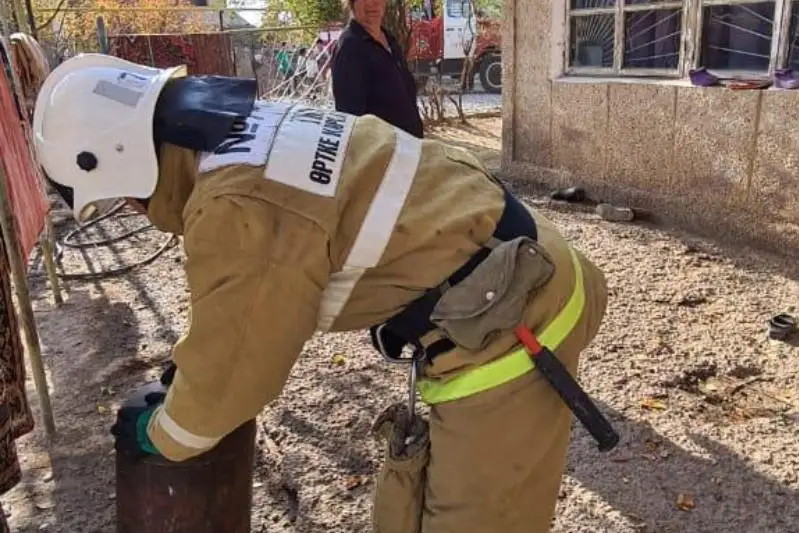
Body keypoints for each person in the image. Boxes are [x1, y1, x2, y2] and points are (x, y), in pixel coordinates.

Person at [32, 53, 611, 533]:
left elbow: (232, 373)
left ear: (122, 161)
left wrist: (160, 432)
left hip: (514, 323)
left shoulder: (234, 206)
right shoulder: (252, 130)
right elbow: (238, 306)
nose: (133, 209)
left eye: (119, 197)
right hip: (521, 266)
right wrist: (188, 370)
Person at [331, 0, 424, 138]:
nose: (373, 3)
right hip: (383, 155)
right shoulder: (350, 47)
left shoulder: (390, 40)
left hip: (409, 149)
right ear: (352, 3)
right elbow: (351, 121)